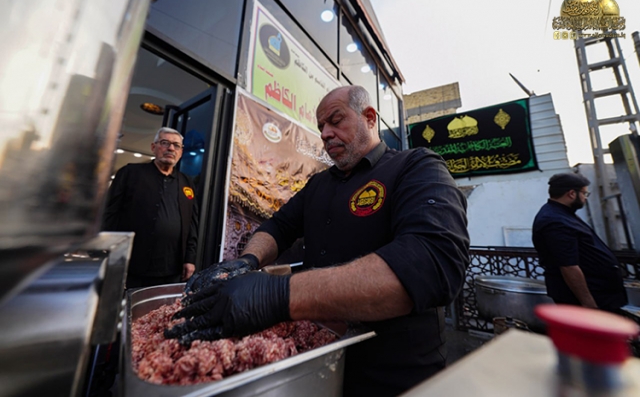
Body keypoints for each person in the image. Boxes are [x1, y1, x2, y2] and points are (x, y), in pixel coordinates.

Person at [166, 85, 470, 396]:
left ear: (369, 118)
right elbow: (278, 226)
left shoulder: (416, 167)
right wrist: (248, 261)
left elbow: (431, 263)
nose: (325, 134)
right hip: (317, 364)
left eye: (335, 121)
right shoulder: (319, 184)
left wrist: (277, 295)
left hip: (396, 373)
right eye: (321, 126)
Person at [102, 127, 198, 288]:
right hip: (132, 265)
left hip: (171, 268)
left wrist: (190, 259)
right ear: (154, 147)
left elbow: (191, 224)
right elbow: (109, 213)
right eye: (165, 143)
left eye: (176, 145)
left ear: (181, 152)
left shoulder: (187, 182)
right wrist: (106, 251)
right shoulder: (130, 173)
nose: (171, 148)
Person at [532, 172, 628, 313]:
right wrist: (588, 303)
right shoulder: (555, 221)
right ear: (571, 193)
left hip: (600, 293)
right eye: (584, 193)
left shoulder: (563, 214)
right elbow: (568, 265)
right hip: (586, 298)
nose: (585, 198)